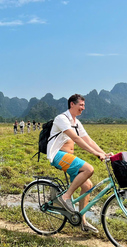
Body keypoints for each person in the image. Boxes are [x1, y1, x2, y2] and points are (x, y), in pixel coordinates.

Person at [46, 94, 112, 233]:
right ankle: (66, 197)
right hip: (57, 156)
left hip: (68, 157)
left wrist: (103, 153)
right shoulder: (62, 119)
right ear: (72, 104)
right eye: (81, 105)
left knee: (87, 185)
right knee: (88, 169)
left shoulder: (76, 122)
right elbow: (76, 138)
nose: (83, 108)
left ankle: (82, 221)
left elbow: (88, 140)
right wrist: (95, 154)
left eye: (83, 105)